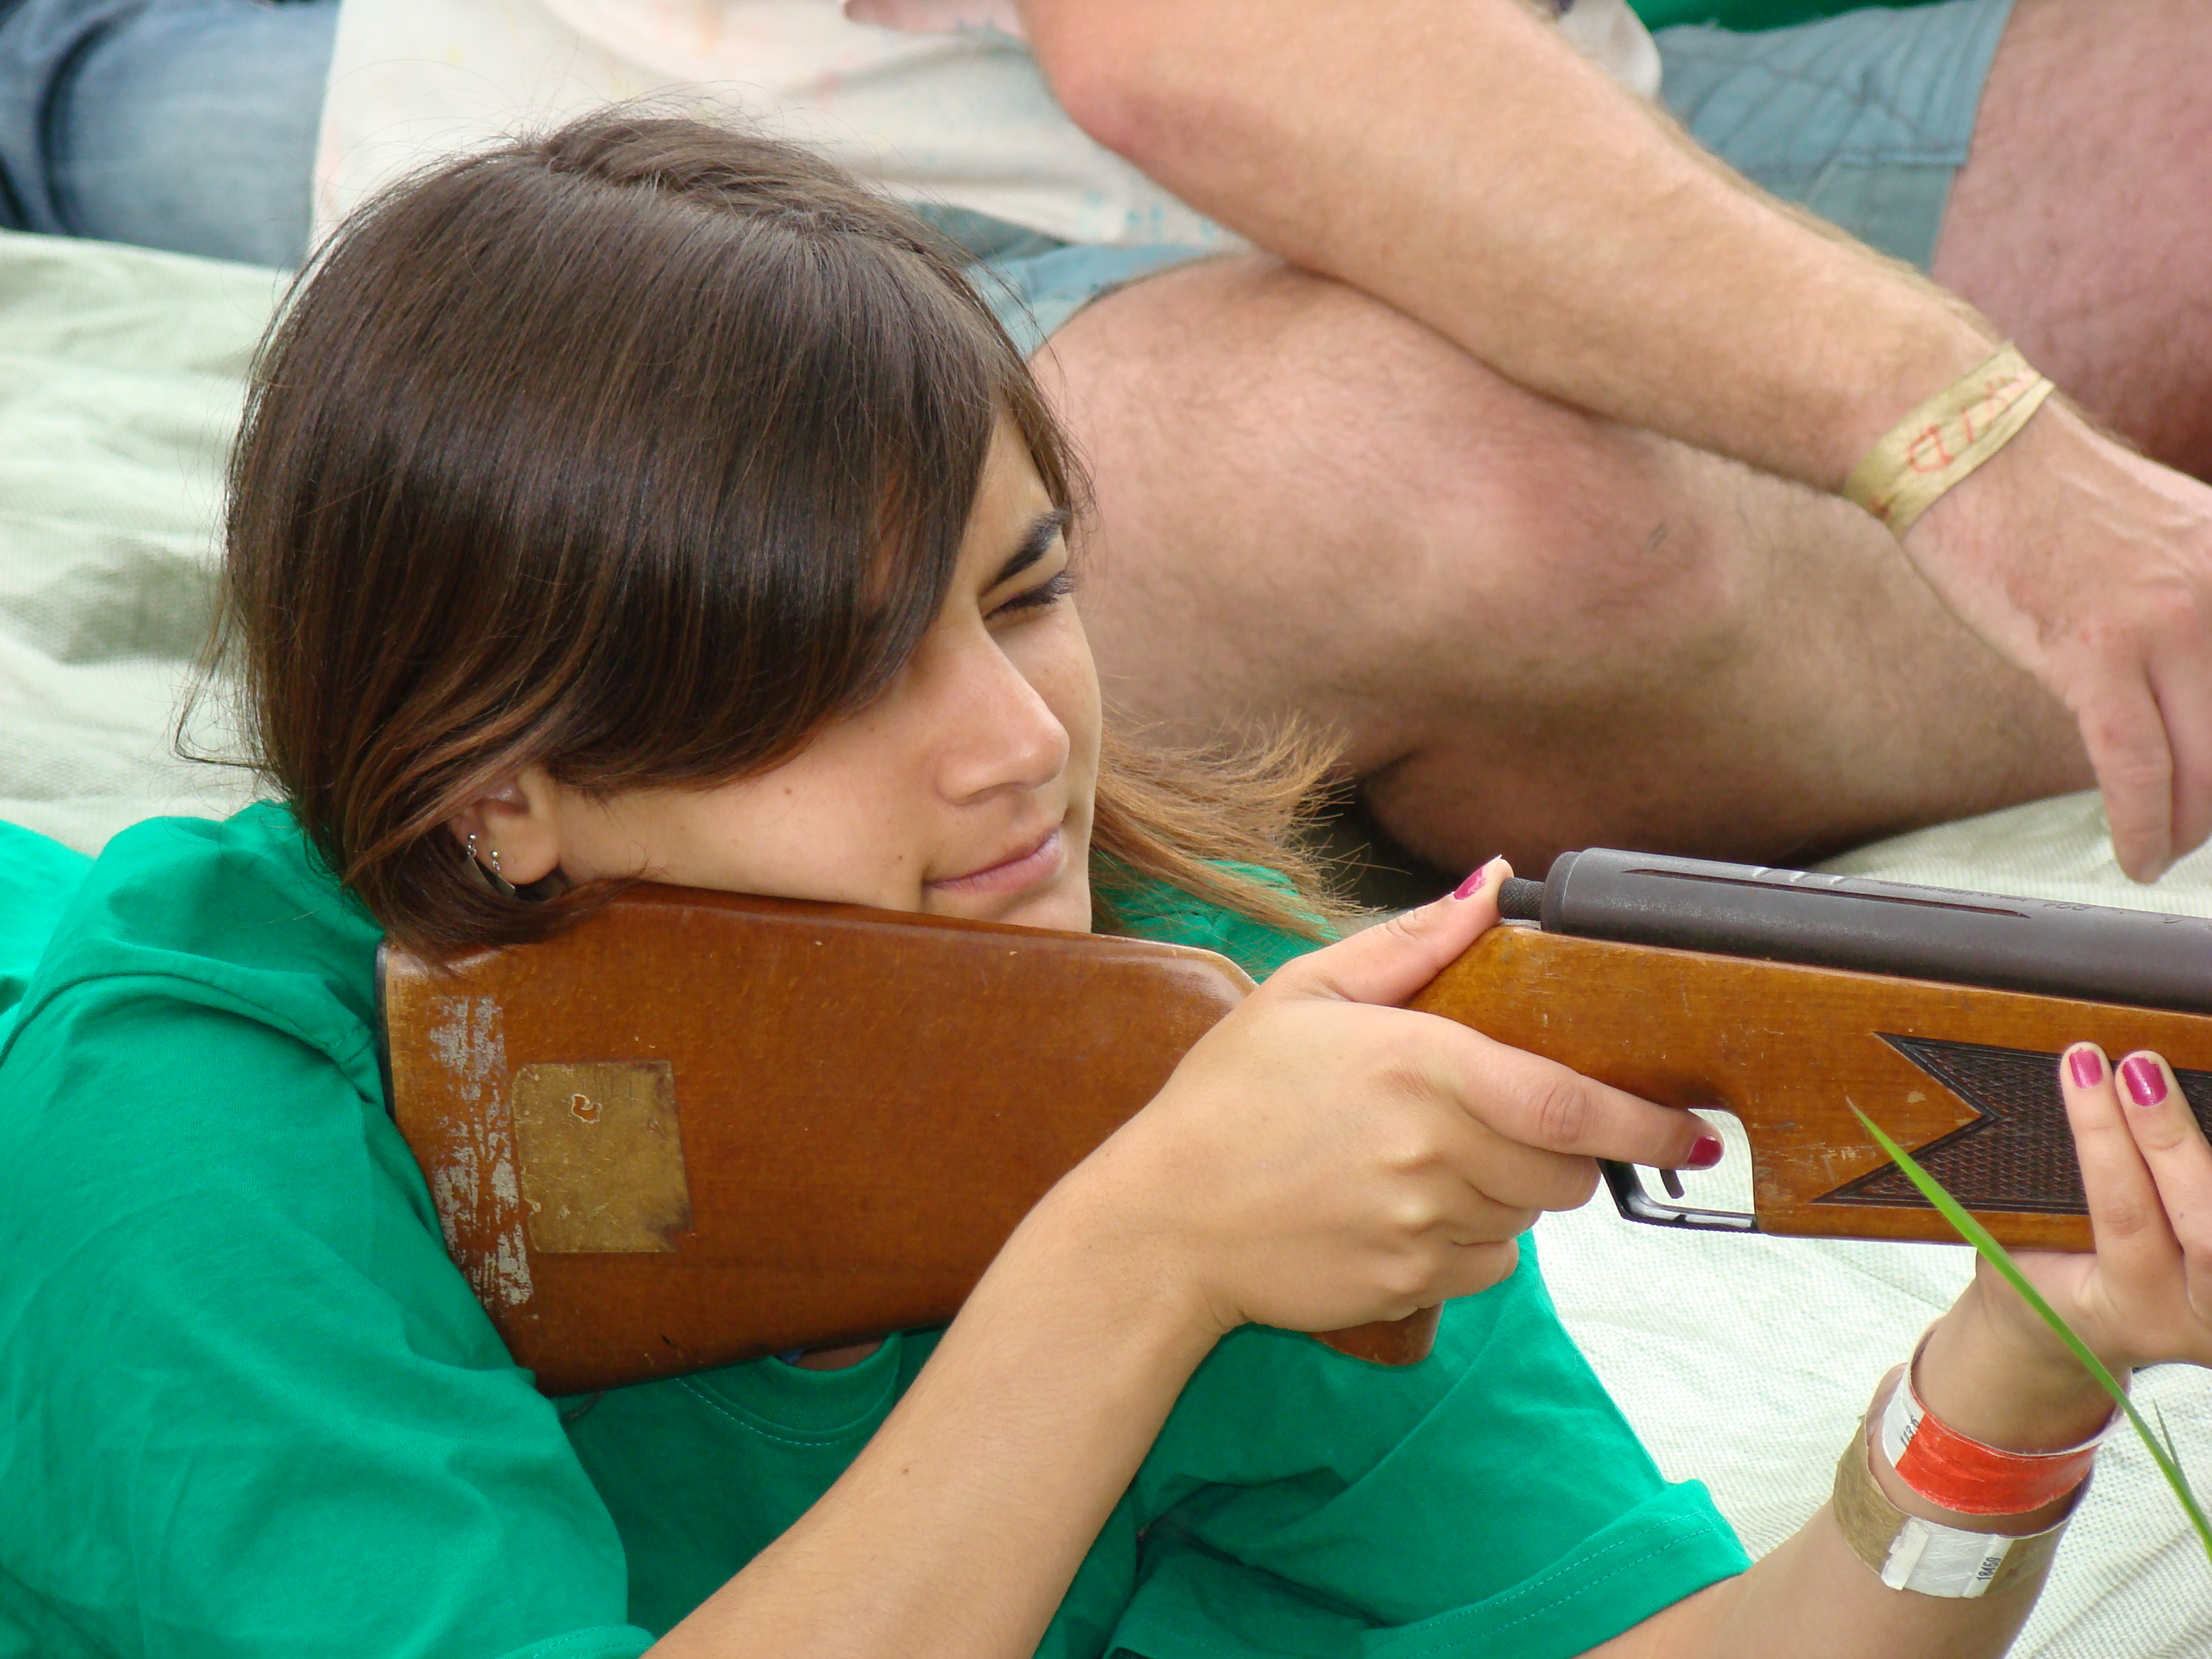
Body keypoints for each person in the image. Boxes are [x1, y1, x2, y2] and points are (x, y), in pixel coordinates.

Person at [2, 114, 2207, 1659]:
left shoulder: (1181, 1003)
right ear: (501, 800)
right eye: (836, 673)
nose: (1020, 741)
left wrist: (2001, 1397)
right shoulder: (177, 1123)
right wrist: (1139, 1255)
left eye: (1027, 590)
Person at [5, 1, 2212, 890]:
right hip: (805, 210)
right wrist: (1972, 443)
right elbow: (1199, 47)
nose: (1005, 748)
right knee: (1460, 501)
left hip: (1500, 75)